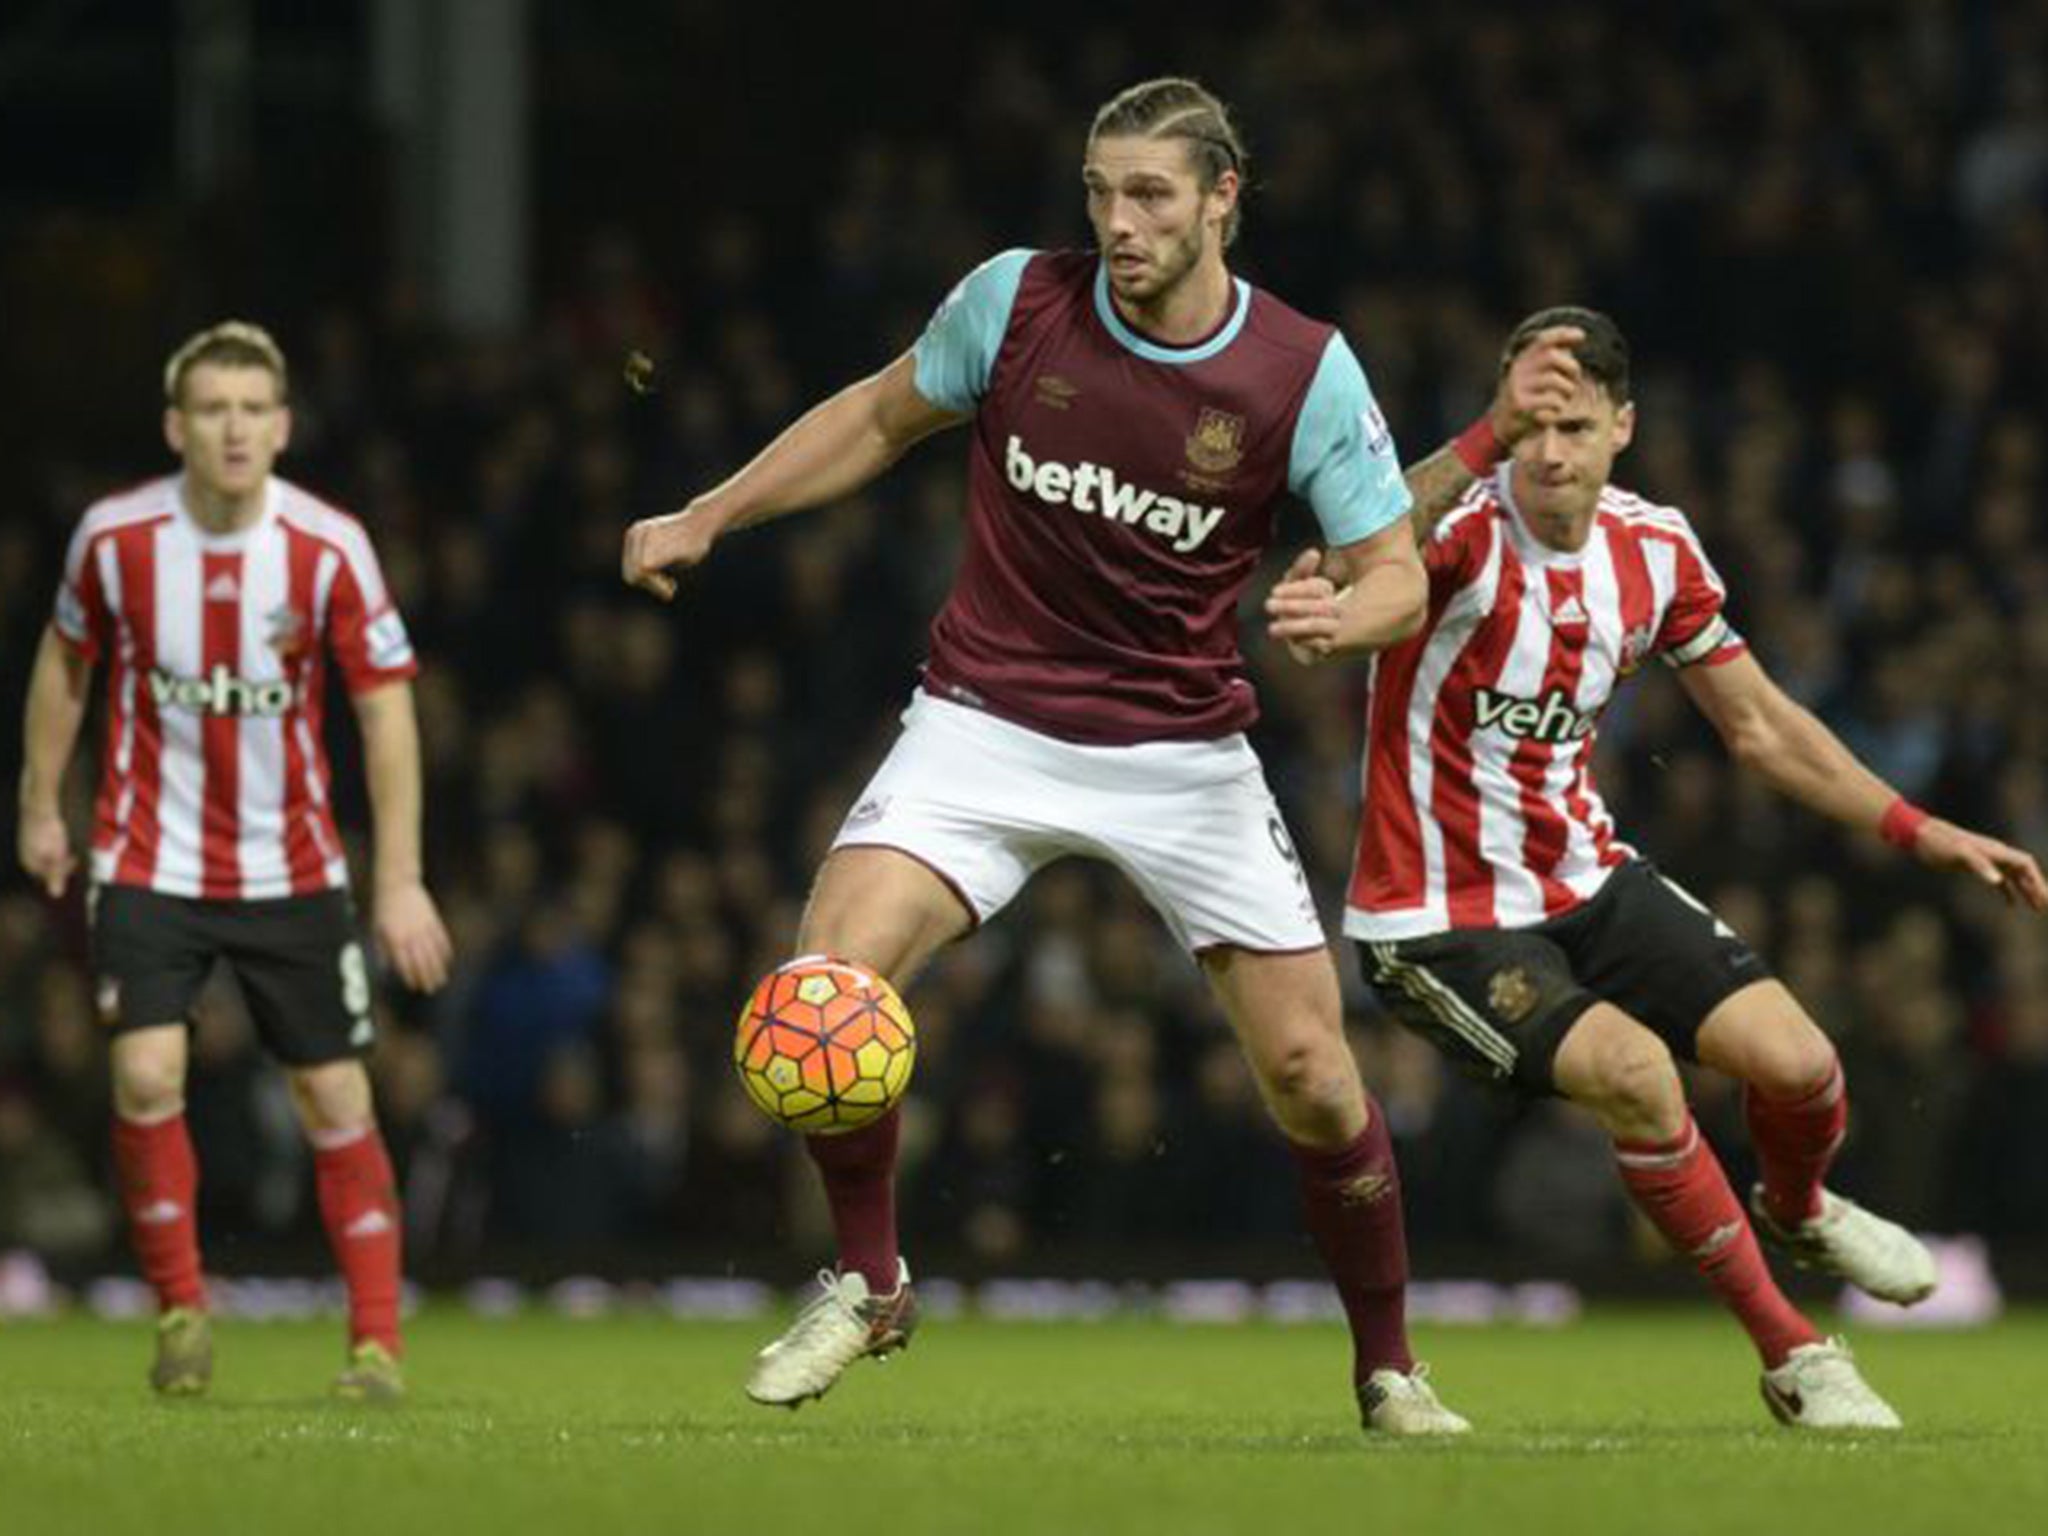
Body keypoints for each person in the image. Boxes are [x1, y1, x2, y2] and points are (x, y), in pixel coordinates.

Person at [624, 78, 1468, 1437]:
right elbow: (878, 415)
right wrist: (711, 514)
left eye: (1150, 196)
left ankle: (1388, 1366)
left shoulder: (1302, 369)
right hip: (986, 721)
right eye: (1100, 191)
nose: (1119, 223)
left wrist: (1337, 615)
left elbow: (1393, 578)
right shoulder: (1017, 300)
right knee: (819, 990)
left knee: (1314, 1076)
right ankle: (870, 1275)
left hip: (1183, 747)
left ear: (1221, 200)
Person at [1265, 306, 2048, 1430]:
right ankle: (1794, 1355)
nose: (1546, 451)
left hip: (1586, 878)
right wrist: (1469, 447)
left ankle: (1796, 1203)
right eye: (1527, 423)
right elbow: (1358, 552)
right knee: (1639, 1076)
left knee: (1799, 1066)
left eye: (1570, 425)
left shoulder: (1654, 548)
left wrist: (1925, 831)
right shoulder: (1456, 532)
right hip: (1436, 917)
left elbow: (1762, 731)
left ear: (1620, 428)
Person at [16, 321, 454, 1400]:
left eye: (254, 409)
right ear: (176, 425)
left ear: (284, 425)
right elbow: (62, 665)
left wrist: (398, 878)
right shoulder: (115, 540)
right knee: (145, 1070)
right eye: (212, 408)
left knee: (335, 1098)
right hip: (146, 856)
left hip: (291, 868)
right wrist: (39, 802)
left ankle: (375, 1348)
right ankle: (179, 1314)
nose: (234, 428)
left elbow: (387, 713)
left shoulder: (327, 546)